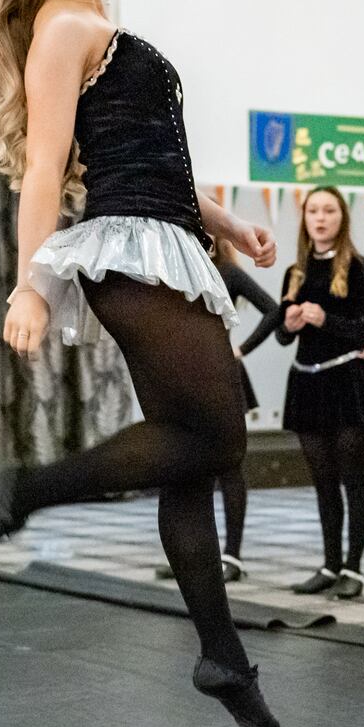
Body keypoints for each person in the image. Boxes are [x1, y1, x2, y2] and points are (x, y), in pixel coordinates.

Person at [0, 0, 280, 727]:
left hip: (170, 241)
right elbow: (47, 168)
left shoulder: (97, 24)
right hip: (128, 252)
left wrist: (230, 225)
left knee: (193, 461)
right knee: (217, 435)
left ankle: (221, 657)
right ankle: (27, 489)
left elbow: (156, 157)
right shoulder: (61, 31)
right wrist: (30, 283)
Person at [276, 187, 364, 600]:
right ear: (304, 218)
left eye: (329, 211)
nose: (320, 218)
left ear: (342, 218)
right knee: (323, 483)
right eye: (313, 211)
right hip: (307, 382)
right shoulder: (296, 271)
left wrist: (327, 320)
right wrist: (289, 324)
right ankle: (330, 562)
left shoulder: (358, 268)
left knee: (352, 478)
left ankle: (353, 569)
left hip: (345, 382)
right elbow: (286, 339)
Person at [156, 236, 279, 582]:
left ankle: (233, 556)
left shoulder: (228, 273)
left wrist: (241, 350)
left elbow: (273, 309)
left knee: (228, 466)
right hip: (180, 375)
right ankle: (193, 555)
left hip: (220, 373)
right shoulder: (172, 270)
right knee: (185, 468)